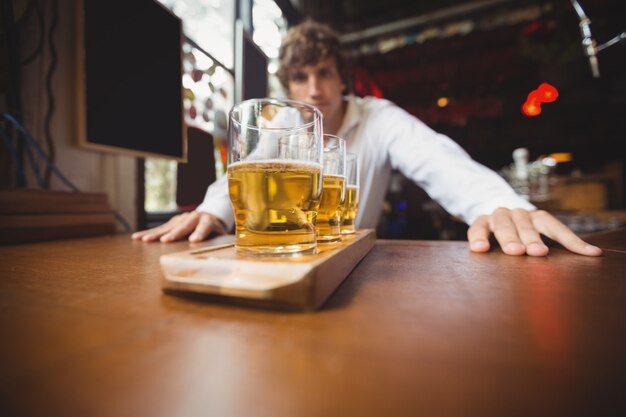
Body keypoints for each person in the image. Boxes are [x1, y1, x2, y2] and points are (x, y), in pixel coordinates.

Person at [132, 20, 602, 257]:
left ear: (342, 79)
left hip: (350, 266)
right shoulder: (282, 126)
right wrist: (212, 213)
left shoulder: (378, 118)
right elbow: (242, 173)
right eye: (300, 78)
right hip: (280, 260)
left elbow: (438, 159)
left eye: (323, 74)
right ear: (289, 87)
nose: (313, 88)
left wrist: (500, 206)